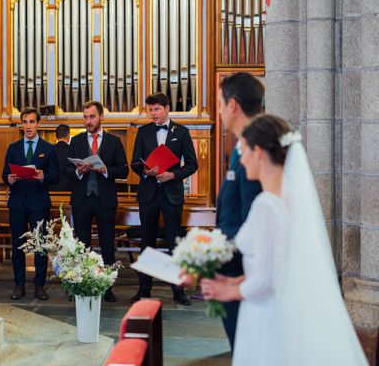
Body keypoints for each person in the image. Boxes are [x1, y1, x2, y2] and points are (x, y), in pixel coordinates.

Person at [200, 115, 368, 365]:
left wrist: (229, 290)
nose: (242, 160)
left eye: (244, 150)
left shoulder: (267, 205)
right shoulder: (288, 197)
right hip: (279, 307)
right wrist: (237, 278)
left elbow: (266, 280)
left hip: (266, 312)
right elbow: (279, 265)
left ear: (258, 152)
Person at [184, 73, 263, 347]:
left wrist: (208, 262)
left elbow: (251, 222)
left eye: (219, 103)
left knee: (244, 347)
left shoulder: (255, 153)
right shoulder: (242, 149)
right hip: (231, 267)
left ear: (233, 105)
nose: (216, 110)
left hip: (238, 270)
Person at [130, 92, 198, 305]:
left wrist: (172, 174)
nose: (153, 113)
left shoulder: (182, 132)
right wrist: (145, 171)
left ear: (168, 108)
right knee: (146, 242)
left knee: (174, 243)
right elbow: (134, 162)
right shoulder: (143, 132)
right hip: (148, 193)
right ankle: (144, 290)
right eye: (150, 109)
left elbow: (192, 164)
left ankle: (178, 291)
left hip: (172, 194)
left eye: (157, 109)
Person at [65, 101, 128, 302]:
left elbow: (124, 170)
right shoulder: (75, 142)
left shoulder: (114, 141)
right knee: (81, 244)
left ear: (101, 117)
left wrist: (107, 170)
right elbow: (66, 171)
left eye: (92, 117)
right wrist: (78, 171)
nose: (88, 121)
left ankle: (107, 287)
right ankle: (81, 284)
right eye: (85, 117)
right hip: (82, 199)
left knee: (107, 244)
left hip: (105, 200)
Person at [2, 107, 59, 300]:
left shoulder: (48, 148)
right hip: (17, 202)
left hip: (38, 202)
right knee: (18, 245)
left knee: (39, 244)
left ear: (38, 124)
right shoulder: (13, 148)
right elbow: (4, 174)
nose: (28, 126)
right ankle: (19, 284)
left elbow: (56, 176)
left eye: (32, 122)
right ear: (21, 124)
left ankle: (39, 285)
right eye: (25, 122)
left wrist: (44, 177)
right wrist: (8, 179)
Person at [49, 124, 72, 192]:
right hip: (68, 189)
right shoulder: (72, 150)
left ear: (56, 136)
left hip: (51, 189)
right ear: (68, 135)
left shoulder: (49, 150)